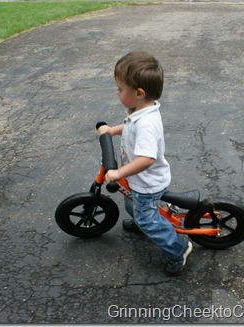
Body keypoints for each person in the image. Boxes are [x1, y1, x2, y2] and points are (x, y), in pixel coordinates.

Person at [97, 51, 192, 275]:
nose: (117, 93)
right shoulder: (138, 111)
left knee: (147, 218)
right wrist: (112, 130)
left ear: (139, 93)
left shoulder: (147, 123)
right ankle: (141, 220)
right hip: (138, 181)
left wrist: (118, 173)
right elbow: (130, 128)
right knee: (132, 204)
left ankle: (179, 248)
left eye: (120, 89)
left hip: (147, 183)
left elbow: (147, 159)